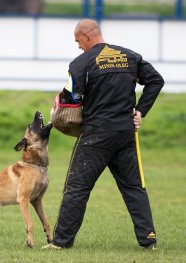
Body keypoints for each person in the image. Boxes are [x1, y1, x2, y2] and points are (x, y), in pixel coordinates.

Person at [42, 19, 164, 250]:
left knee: (76, 187)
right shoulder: (130, 56)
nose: (78, 46)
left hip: (96, 135)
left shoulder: (81, 63)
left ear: (86, 35)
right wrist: (140, 111)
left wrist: (60, 105)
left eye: (78, 41)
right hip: (125, 133)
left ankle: (60, 243)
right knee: (134, 187)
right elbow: (156, 81)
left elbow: (71, 99)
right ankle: (148, 240)